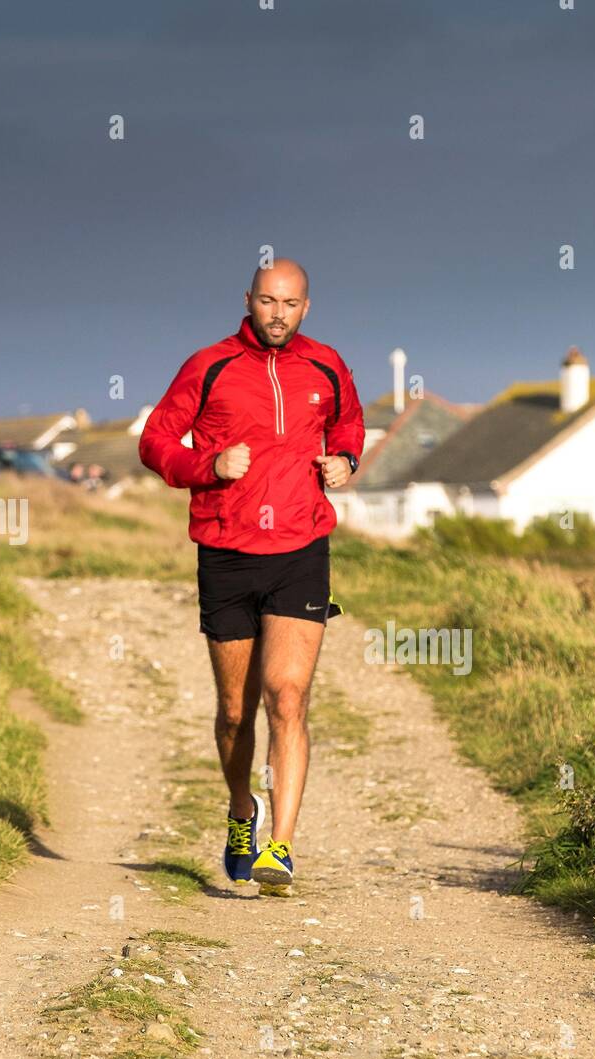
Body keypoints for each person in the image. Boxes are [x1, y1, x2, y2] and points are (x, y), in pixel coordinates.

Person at [139, 259, 364, 891]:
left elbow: (349, 422)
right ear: (248, 301)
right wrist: (209, 464)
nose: (278, 314)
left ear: (306, 308)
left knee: (287, 697)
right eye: (267, 302)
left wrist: (345, 458)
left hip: (301, 548)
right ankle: (243, 809)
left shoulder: (327, 364)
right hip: (227, 553)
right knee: (236, 713)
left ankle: (280, 848)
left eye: (290, 304)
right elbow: (156, 441)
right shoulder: (207, 366)